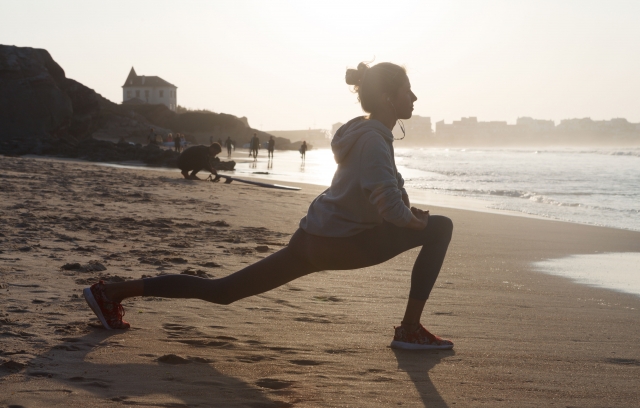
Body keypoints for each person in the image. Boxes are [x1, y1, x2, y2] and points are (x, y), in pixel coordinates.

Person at [82, 61, 454, 350]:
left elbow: (376, 194)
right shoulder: (374, 139)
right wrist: (412, 223)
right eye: (408, 90)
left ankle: (111, 292)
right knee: (440, 228)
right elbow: (386, 201)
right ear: (390, 97)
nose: (415, 98)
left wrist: (405, 215)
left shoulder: (364, 134)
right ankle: (409, 330)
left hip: (312, 238)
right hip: (338, 243)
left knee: (223, 291)